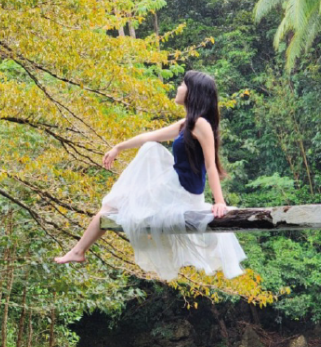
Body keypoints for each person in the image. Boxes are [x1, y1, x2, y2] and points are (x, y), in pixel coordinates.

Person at [54, 70, 246, 281]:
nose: (178, 88)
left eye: (182, 84)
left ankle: (79, 250)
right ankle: (79, 251)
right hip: (174, 188)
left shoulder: (201, 125)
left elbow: (210, 165)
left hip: (181, 191)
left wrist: (219, 201)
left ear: (193, 93)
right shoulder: (186, 125)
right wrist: (118, 147)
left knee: (141, 165)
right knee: (117, 198)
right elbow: (148, 135)